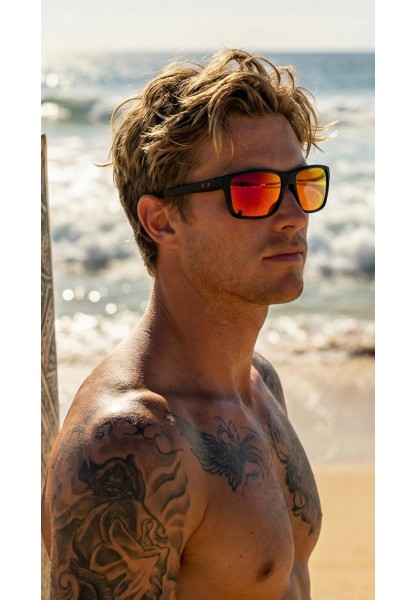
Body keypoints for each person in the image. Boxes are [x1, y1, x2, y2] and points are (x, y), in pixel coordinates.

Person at [42, 48, 332, 599]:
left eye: (303, 184)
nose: (294, 215)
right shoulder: (129, 443)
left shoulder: (260, 383)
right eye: (253, 190)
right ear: (162, 221)